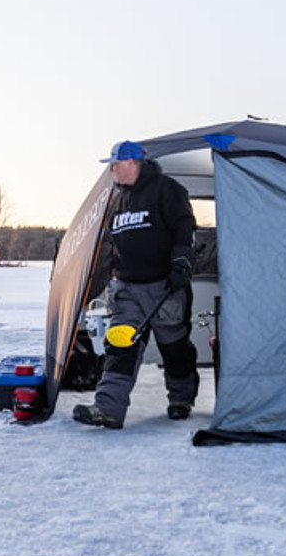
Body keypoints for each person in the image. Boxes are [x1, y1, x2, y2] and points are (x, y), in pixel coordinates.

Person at [73, 140, 198, 429]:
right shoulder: (118, 200)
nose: (112, 170)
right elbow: (110, 247)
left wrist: (182, 264)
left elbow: (185, 229)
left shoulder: (167, 190)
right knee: (119, 347)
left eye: (115, 165)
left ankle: (181, 399)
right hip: (127, 289)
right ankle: (108, 409)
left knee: (174, 347)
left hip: (164, 286)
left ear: (132, 163)